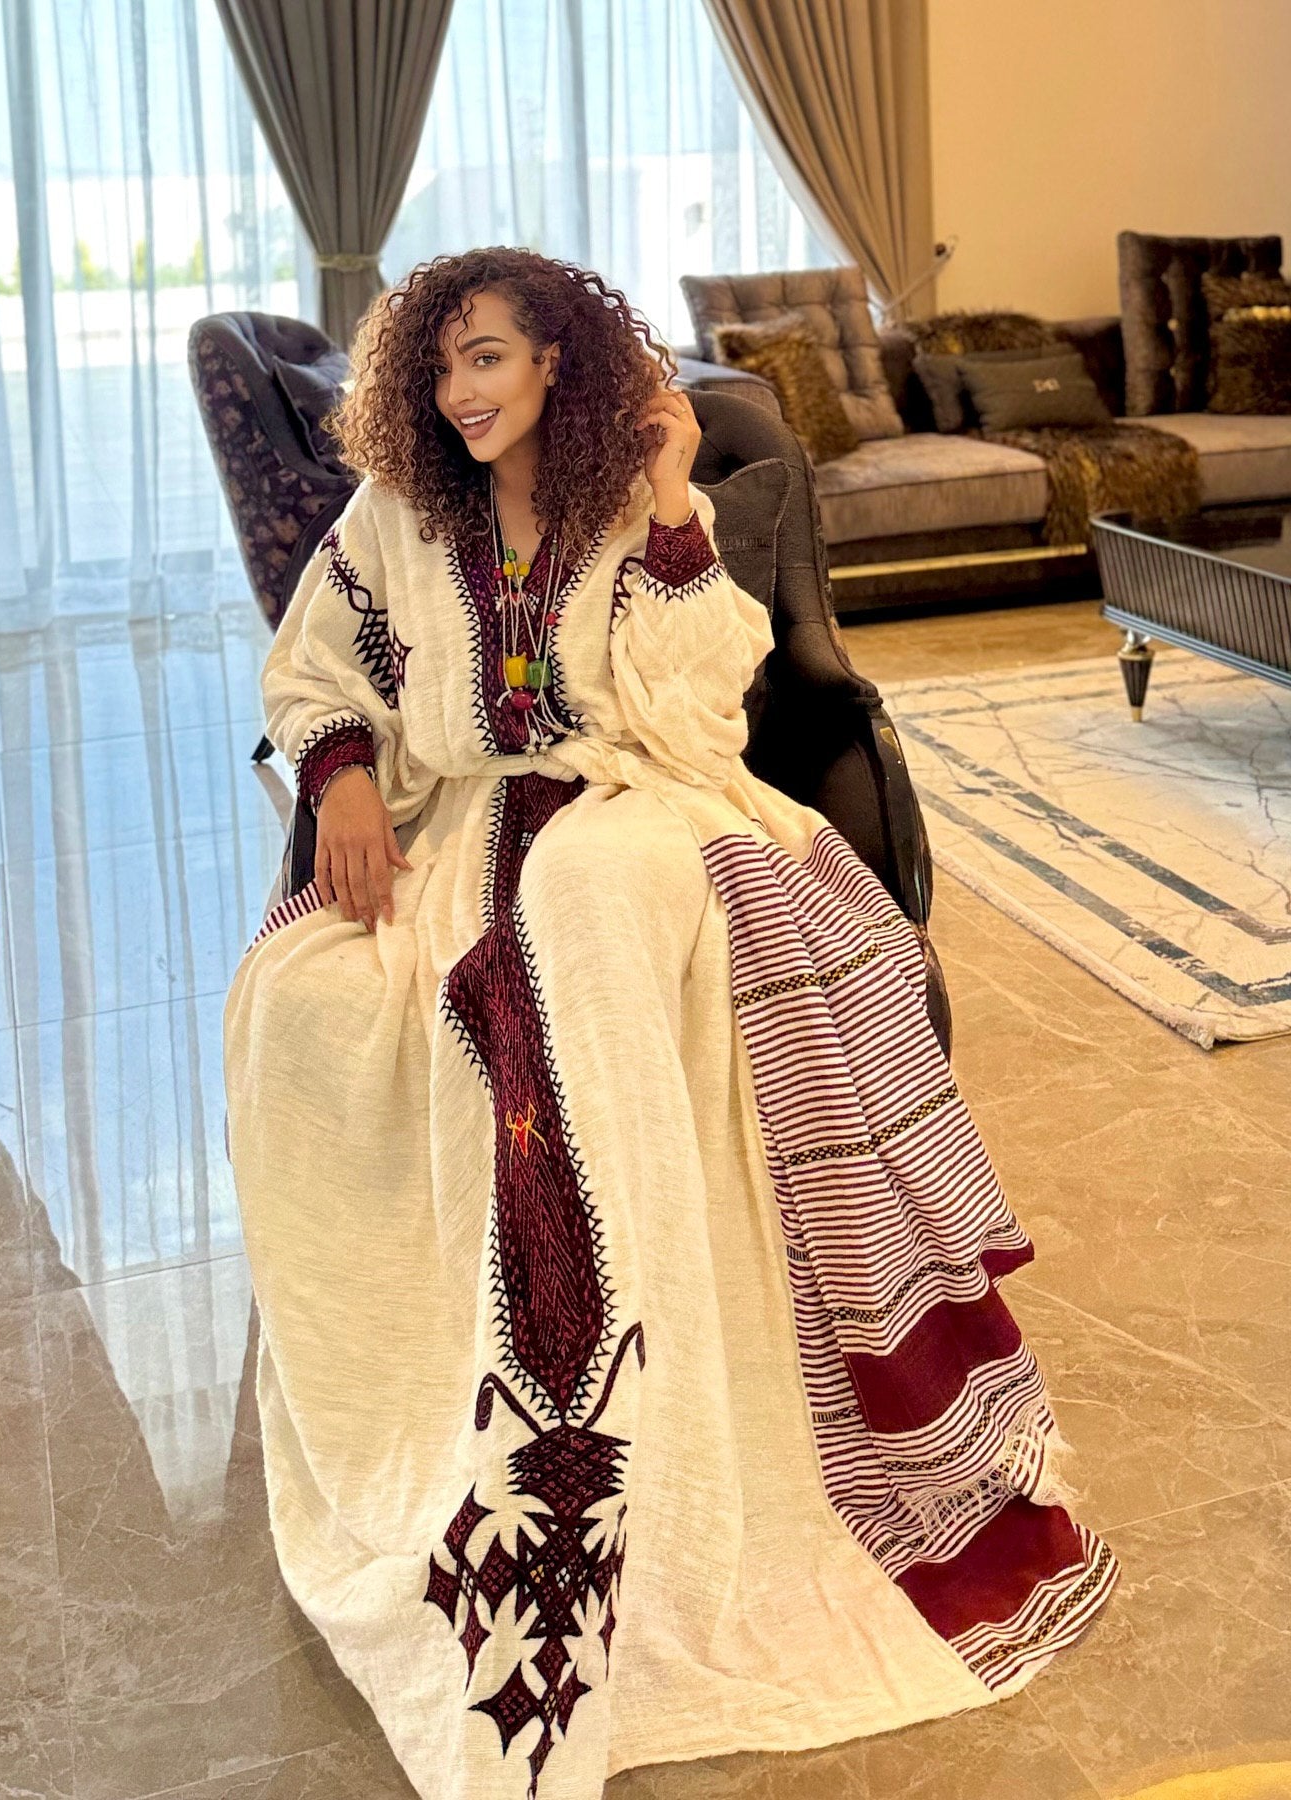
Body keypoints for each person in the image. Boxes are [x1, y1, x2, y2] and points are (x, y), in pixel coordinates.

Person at [222, 246, 1117, 1800]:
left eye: (490, 359)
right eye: (441, 370)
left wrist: (675, 502)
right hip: (467, 829)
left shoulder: (630, 498)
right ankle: (452, 1408)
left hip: (646, 807)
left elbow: (704, 712)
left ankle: (626, 1379)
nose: (463, 393)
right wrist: (345, 774)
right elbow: (313, 671)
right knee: (296, 1002)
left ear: (558, 362)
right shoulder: (397, 517)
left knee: (584, 916)